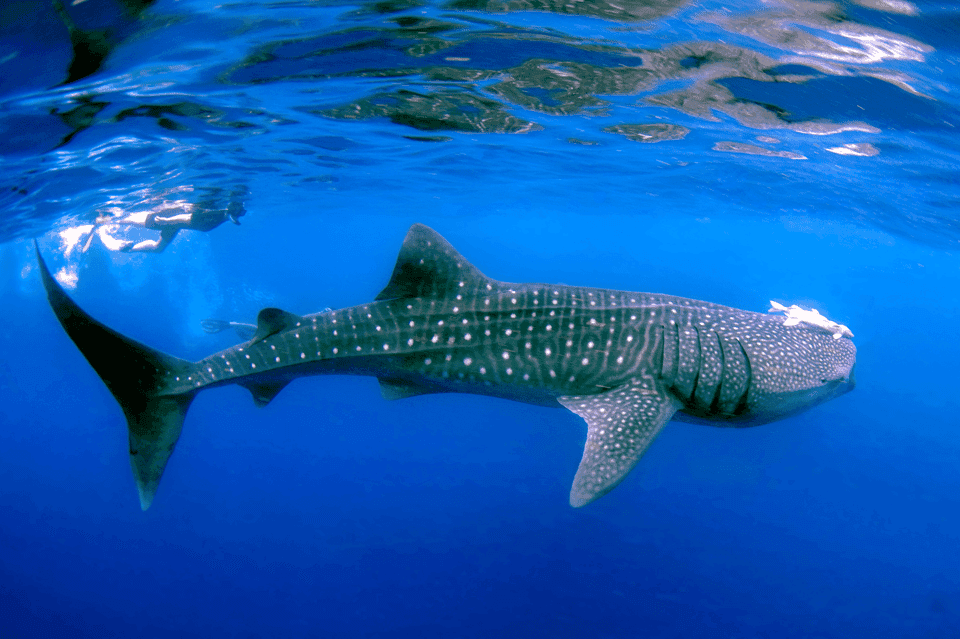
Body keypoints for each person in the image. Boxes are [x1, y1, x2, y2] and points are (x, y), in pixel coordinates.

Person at [92, 188, 247, 253]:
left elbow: (187, 219)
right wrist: (167, 221)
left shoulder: (212, 219)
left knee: (131, 222)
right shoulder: (215, 217)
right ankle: (106, 222)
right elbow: (187, 218)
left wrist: (166, 221)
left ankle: (110, 228)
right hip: (171, 219)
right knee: (155, 245)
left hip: (171, 219)